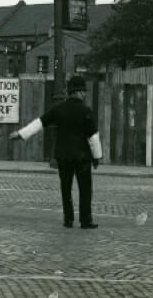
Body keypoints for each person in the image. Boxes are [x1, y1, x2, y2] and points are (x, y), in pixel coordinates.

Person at [9, 75, 102, 229]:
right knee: (85, 189)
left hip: (63, 155)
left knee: (66, 188)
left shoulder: (58, 109)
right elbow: (93, 136)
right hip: (82, 157)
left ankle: (68, 220)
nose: (85, 94)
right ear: (77, 92)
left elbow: (40, 122)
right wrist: (97, 157)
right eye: (83, 91)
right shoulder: (86, 111)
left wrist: (21, 134)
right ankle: (85, 220)